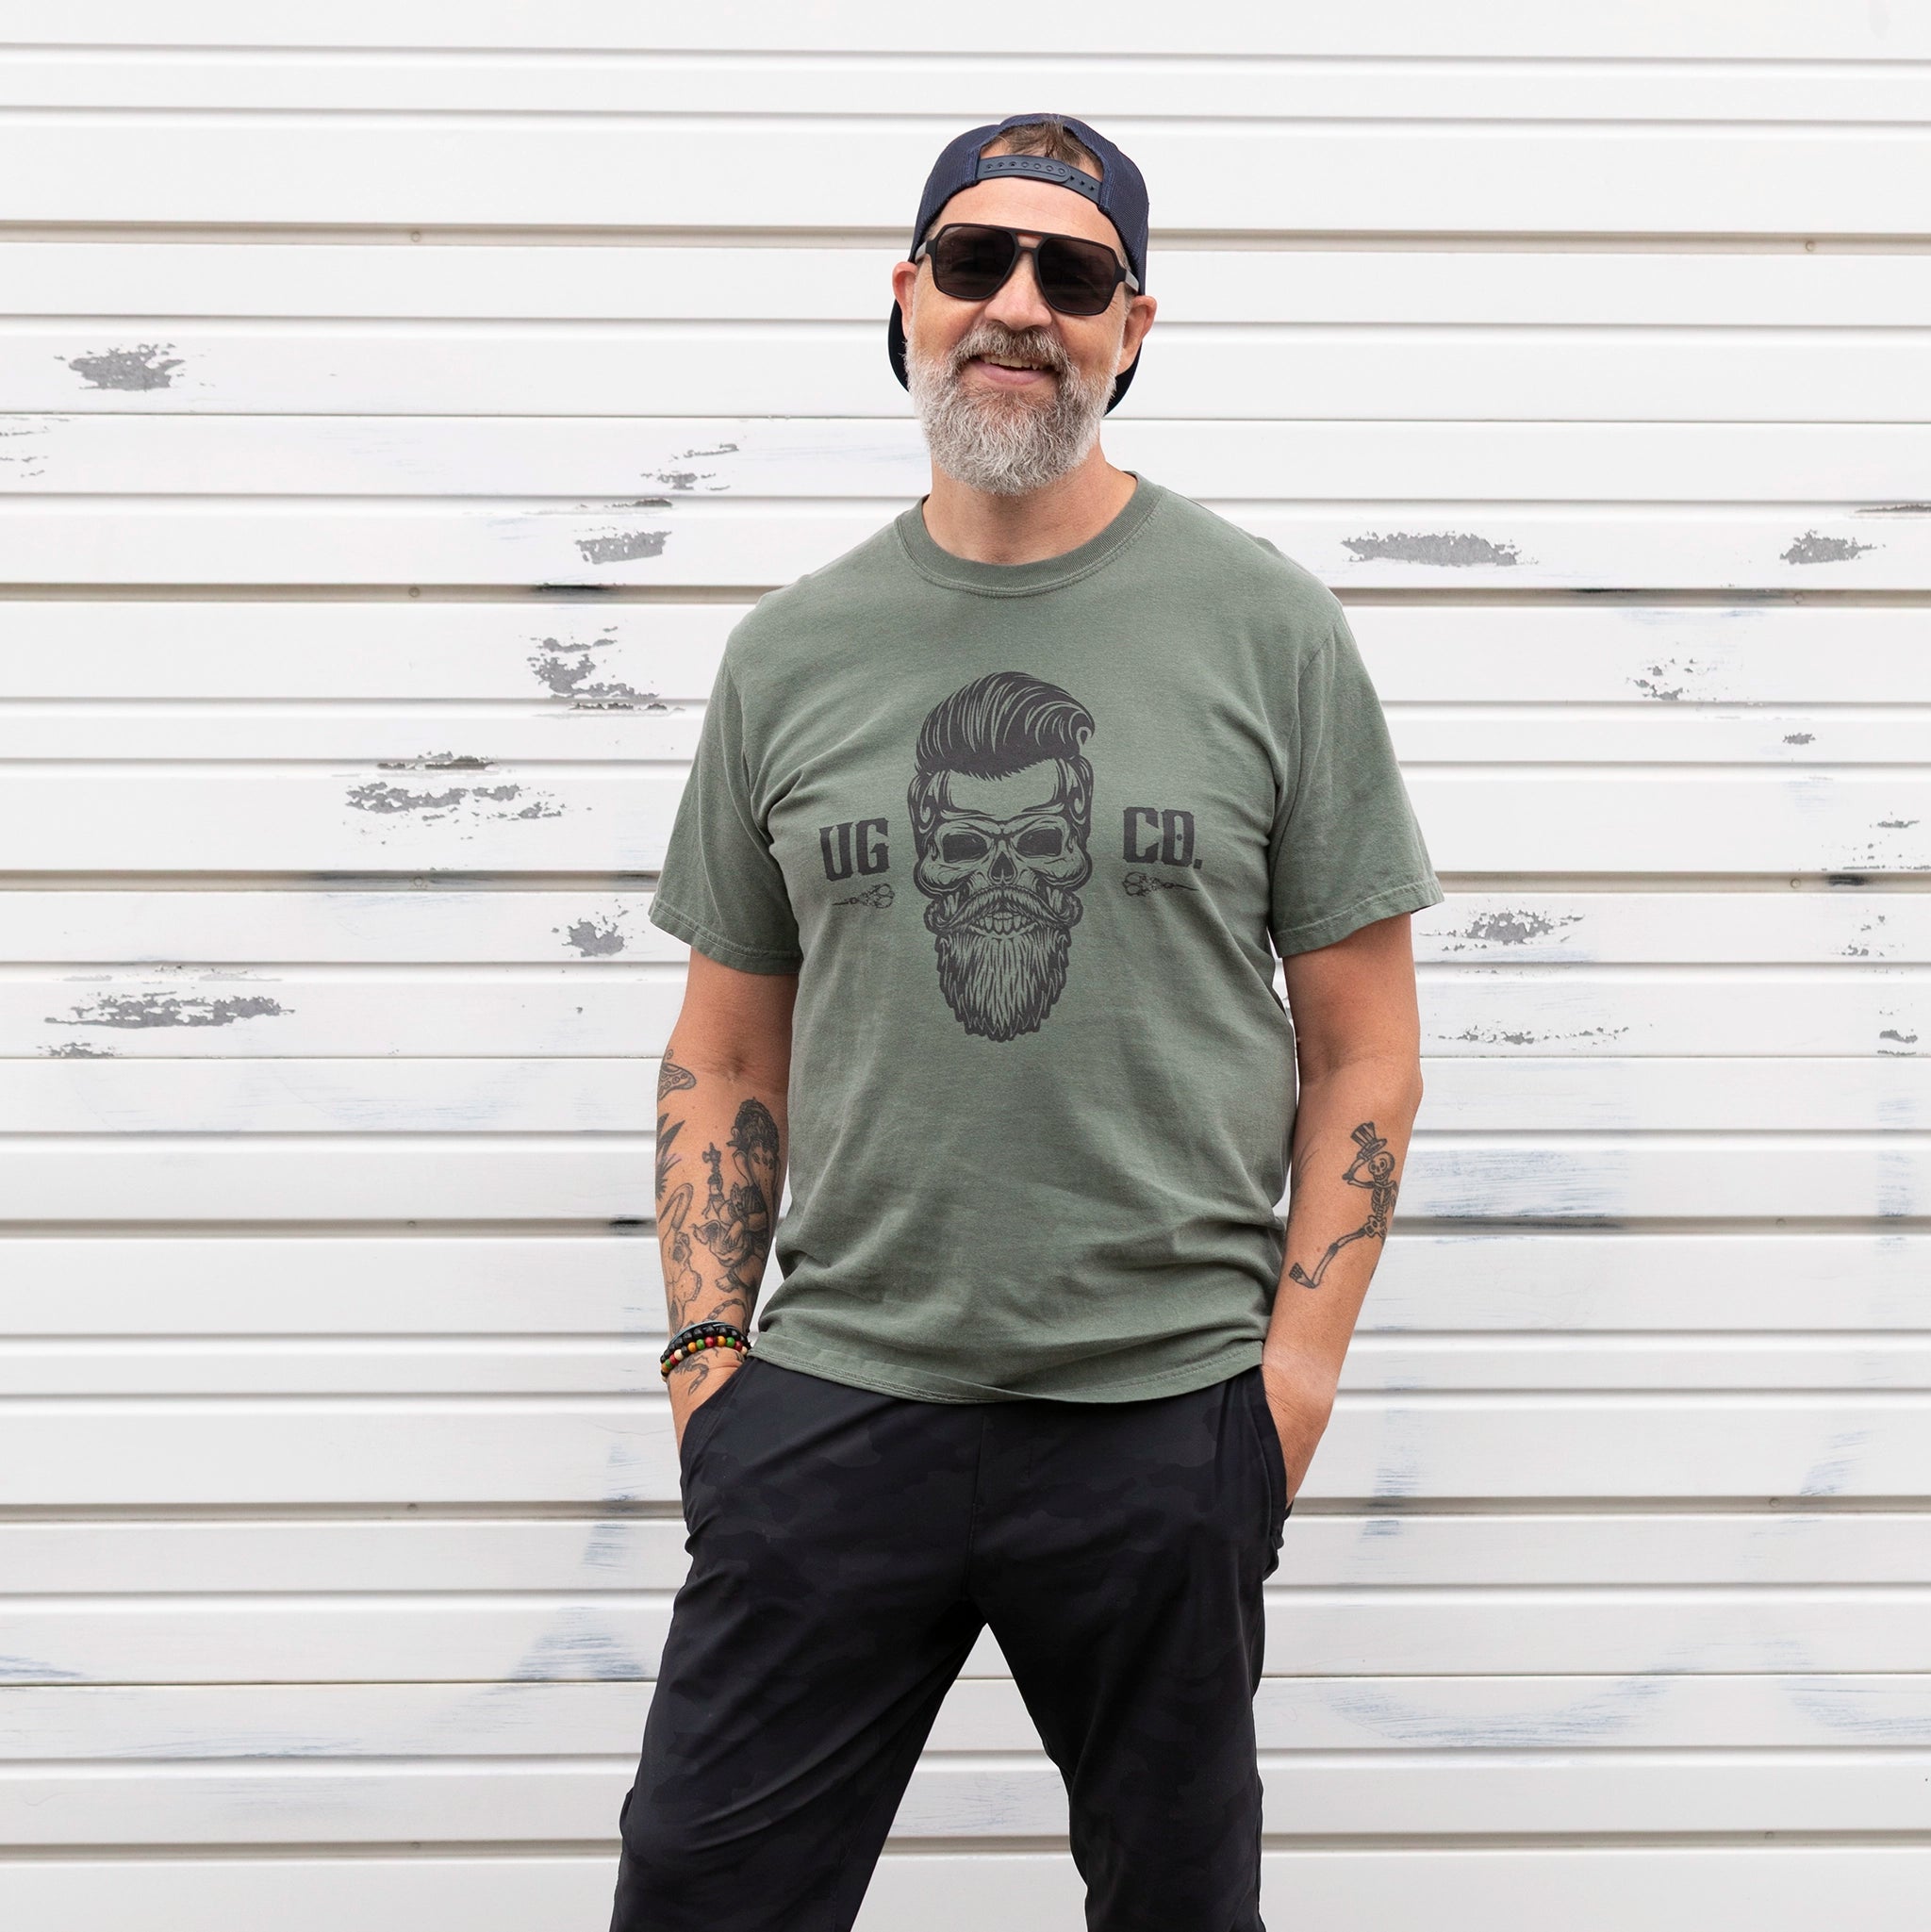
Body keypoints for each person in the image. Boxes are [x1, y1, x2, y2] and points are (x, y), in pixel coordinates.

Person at [609, 111, 1444, 1932]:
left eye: (1072, 274)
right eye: (977, 261)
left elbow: (1365, 1044)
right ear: (908, 296)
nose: (1019, 306)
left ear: (1132, 328)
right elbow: (726, 1048)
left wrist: (1287, 1392)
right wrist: (708, 1373)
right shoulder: (790, 655)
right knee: (696, 1888)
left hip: (1164, 1412)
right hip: (838, 1399)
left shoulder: (1268, 630)